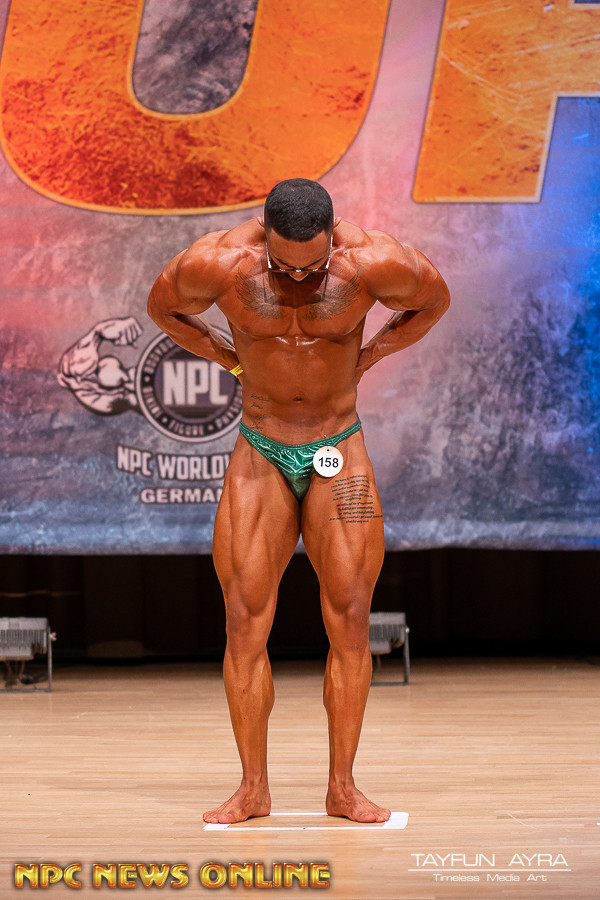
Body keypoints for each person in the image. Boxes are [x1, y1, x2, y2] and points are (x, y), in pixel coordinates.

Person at [147, 178, 449, 824]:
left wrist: (372, 353)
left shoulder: (371, 261)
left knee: (352, 616)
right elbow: (162, 307)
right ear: (265, 237)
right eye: (285, 266)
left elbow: (434, 299)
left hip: (341, 448)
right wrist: (228, 358)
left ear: (332, 239)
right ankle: (252, 787)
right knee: (243, 621)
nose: (299, 278)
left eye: (311, 267)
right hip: (260, 447)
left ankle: (343, 787)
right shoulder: (221, 262)